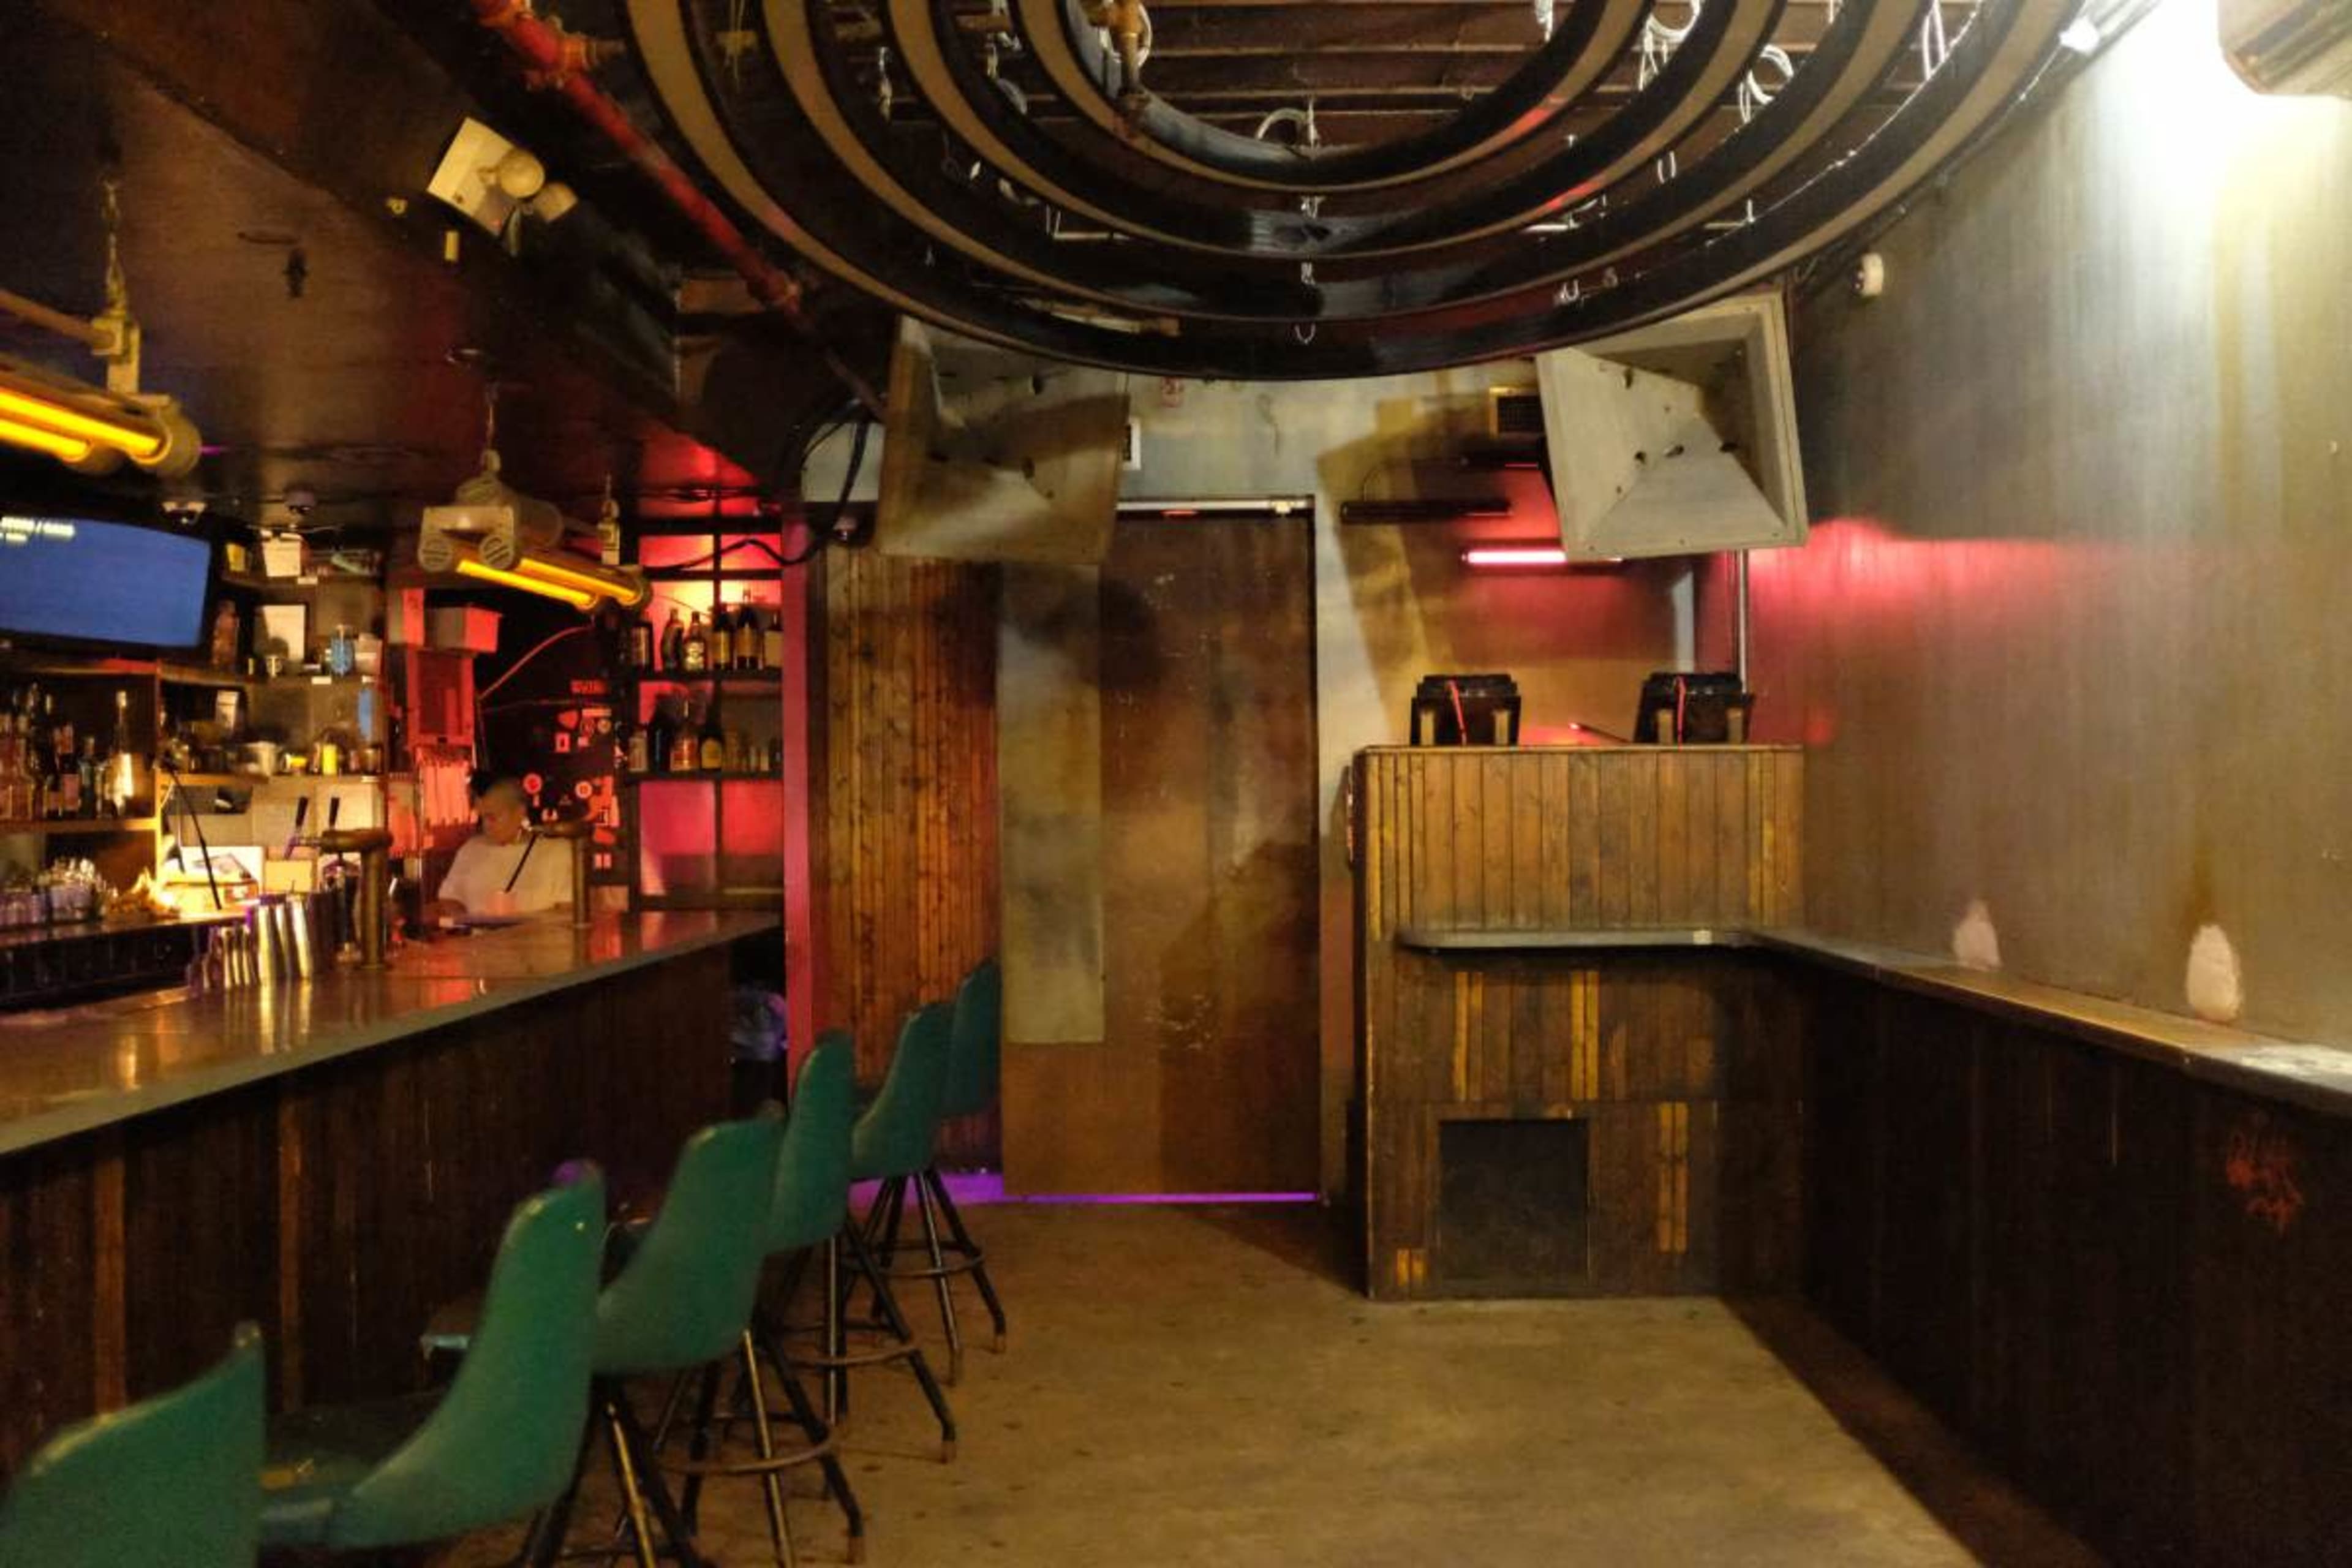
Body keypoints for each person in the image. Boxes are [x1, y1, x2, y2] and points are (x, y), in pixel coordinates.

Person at [425, 774, 572, 922]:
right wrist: (465, 919)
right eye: (483, 817)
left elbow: (568, 912)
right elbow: (450, 899)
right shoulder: (471, 850)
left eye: (493, 817)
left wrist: (518, 924)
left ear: (520, 812)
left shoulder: (557, 853)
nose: (487, 825)